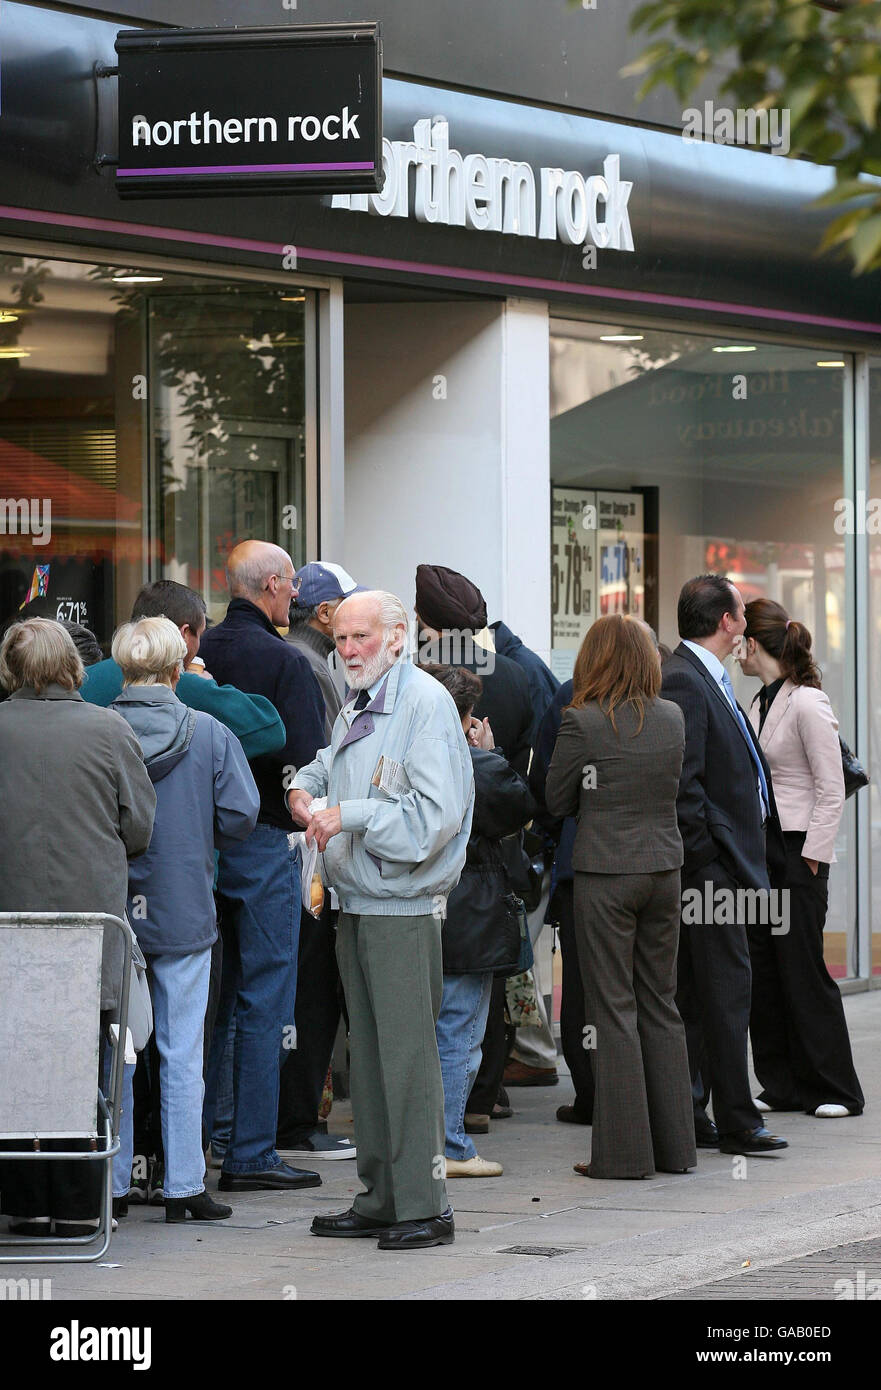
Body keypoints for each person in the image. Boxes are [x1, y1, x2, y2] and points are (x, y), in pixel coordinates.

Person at [288, 590, 474, 1250]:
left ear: (399, 637)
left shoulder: (422, 703)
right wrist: (304, 788)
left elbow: (432, 821)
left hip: (398, 905)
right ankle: (383, 1197)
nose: (348, 650)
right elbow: (334, 764)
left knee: (404, 1060)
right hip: (358, 902)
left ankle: (424, 1204)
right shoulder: (365, 697)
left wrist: (350, 815)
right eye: (340, 639)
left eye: (361, 637)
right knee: (369, 1062)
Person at [0, 618, 156, 1236]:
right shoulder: (108, 730)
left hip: (9, 924)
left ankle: (21, 1197)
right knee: (84, 1059)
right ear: (73, 666)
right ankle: (73, 1203)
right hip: (87, 926)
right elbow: (139, 829)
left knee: (14, 1056)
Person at [110, 617, 260, 1222]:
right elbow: (241, 816)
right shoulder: (209, 733)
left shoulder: (102, 732)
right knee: (182, 1050)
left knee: (113, 1052)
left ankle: (113, 1184)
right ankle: (184, 1186)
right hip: (185, 908)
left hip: (113, 911)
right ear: (179, 669)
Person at [544, 615, 695, 1178]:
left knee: (613, 1010)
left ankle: (624, 1156)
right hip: (664, 868)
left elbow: (557, 800)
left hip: (606, 873)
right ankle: (677, 1149)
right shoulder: (672, 717)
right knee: (661, 1003)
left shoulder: (581, 721)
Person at [199, 541, 326, 1192]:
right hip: (266, 838)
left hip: (199, 845)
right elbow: (307, 763)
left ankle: (204, 1142)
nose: (297, 598)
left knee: (211, 996)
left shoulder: (198, 652)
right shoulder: (284, 662)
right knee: (265, 995)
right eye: (293, 586)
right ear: (272, 585)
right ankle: (249, 1150)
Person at [661, 575, 789, 1156]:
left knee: (704, 993)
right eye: (741, 614)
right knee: (725, 992)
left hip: (724, 867)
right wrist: (710, 859)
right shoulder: (687, 679)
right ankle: (737, 1120)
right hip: (713, 872)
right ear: (728, 623)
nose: (745, 625)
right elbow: (684, 785)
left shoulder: (700, 676)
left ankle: (695, 1112)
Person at [739, 598, 863, 1118]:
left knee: (804, 968)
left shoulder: (808, 703)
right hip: (763, 851)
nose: (735, 650)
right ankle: (782, 1083)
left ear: (754, 644)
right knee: (764, 970)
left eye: (742, 638)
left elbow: (832, 788)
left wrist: (813, 859)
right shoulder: (759, 701)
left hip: (796, 852)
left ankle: (835, 1088)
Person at [425, 663, 537, 1178]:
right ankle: (449, 1143)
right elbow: (517, 806)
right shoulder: (473, 763)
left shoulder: (407, 752)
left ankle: (422, 1139)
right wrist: (488, 753)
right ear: (469, 716)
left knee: (422, 1029)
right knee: (460, 1030)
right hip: (470, 913)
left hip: (417, 908)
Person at [277, 560, 368, 1162]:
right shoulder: (311, 670)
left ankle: (295, 1116)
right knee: (312, 990)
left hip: (303, 846)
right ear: (325, 613)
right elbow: (321, 761)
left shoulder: (311, 664)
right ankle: (299, 1119)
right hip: (311, 855)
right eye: (347, 616)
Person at [82, 579, 286, 761]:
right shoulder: (185, 685)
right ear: (184, 634)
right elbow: (271, 730)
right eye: (201, 635)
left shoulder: (85, 680)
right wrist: (206, 685)